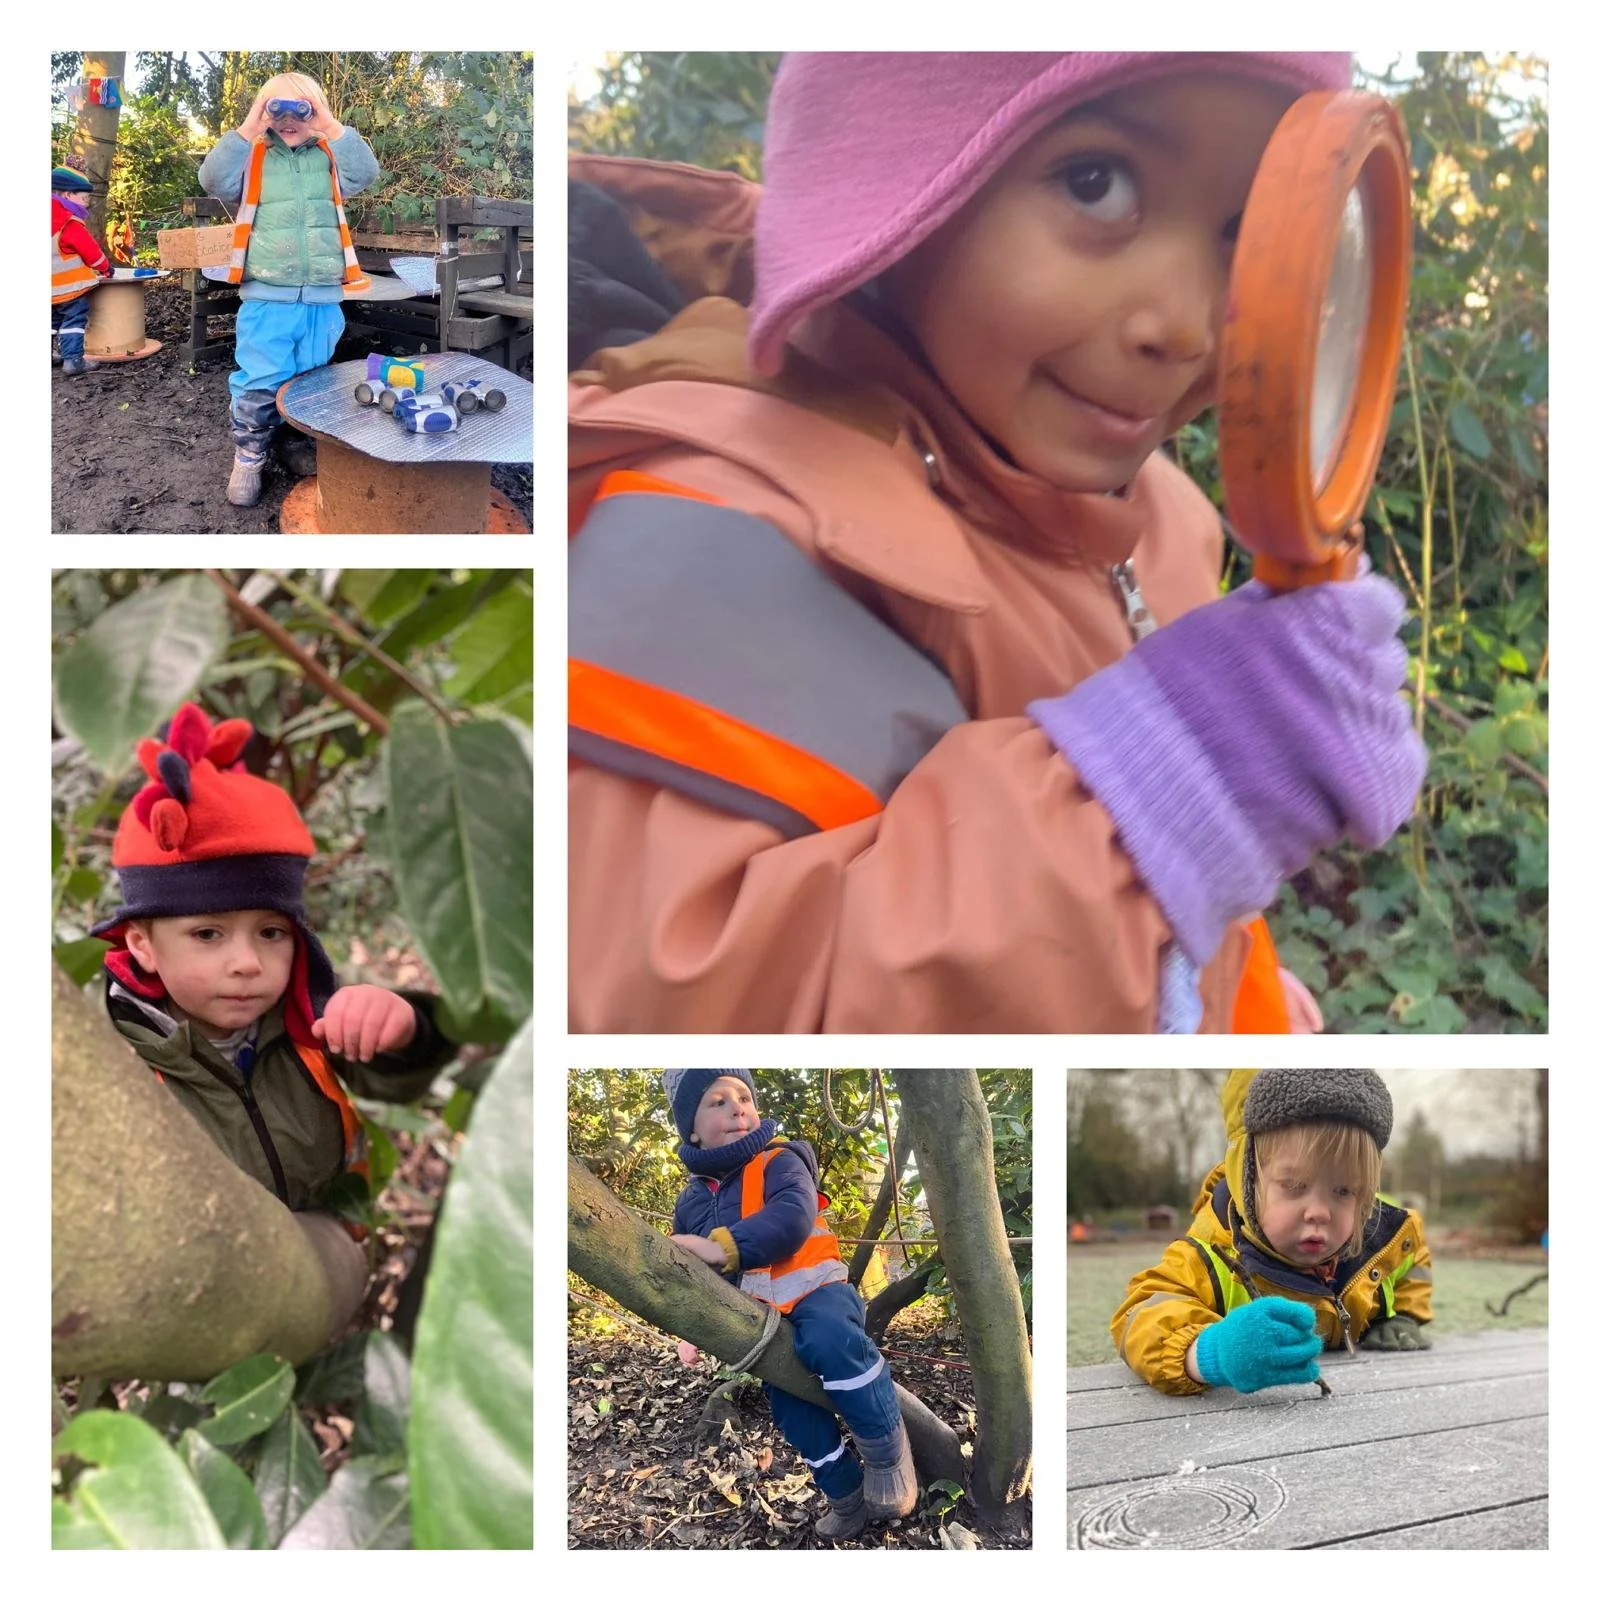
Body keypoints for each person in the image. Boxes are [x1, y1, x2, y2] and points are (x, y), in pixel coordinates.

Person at [567, 52, 1427, 1034]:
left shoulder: (1165, 511)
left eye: (1246, 231)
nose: (1187, 325)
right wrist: (1159, 803)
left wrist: (1220, 963)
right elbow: (675, 1007)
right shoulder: (724, 530)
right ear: (893, 194)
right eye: (1096, 183)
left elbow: (1160, 901)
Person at [89, 701, 457, 1228]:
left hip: (332, 1231)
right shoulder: (115, 1056)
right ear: (142, 945)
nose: (247, 963)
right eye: (208, 934)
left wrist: (404, 1031)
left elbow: (395, 1080)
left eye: (271, 933)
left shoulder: (307, 1012)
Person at [664, 1069, 917, 1541]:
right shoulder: (691, 1200)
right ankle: (844, 1495)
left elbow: (791, 1218)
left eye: (743, 1097)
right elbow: (689, 1270)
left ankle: (886, 1454)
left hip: (817, 1292)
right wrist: (688, 1329)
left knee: (833, 1342)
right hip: (759, 1318)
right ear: (691, 1129)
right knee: (790, 1405)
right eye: (718, 1102)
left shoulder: (781, 1160)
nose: (737, 1108)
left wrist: (720, 1247)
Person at [1111, 1068, 1433, 1396]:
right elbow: (1139, 1316)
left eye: (1344, 1191)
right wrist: (1210, 1352)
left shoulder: (1386, 1237)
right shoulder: (1208, 1259)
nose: (1320, 1212)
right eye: (1294, 1185)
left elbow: (1413, 1255)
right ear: (1247, 1179)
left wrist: (1405, 1316)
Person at [198, 72, 379, 507]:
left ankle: (293, 442)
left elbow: (366, 173)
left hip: (322, 294)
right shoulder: (253, 156)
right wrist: (250, 125)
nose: (288, 118)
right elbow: (213, 181)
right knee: (261, 378)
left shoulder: (329, 156)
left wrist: (328, 125)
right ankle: (249, 456)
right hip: (267, 292)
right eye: (275, 109)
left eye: (301, 109)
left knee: (311, 378)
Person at [51, 166, 113, 376]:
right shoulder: (68, 222)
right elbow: (92, 253)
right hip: (69, 289)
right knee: (74, 320)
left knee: (51, 322)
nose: (87, 203)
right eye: (84, 198)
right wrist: (106, 268)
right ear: (68, 195)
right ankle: (73, 360)